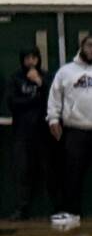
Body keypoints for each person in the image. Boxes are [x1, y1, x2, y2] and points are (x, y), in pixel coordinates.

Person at [46, 32, 92, 230]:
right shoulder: (66, 72)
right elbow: (55, 96)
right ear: (82, 47)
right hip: (75, 130)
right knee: (72, 174)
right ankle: (72, 212)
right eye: (89, 46)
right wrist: (53, 118)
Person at [7, 48, 50, 220]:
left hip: (43, 132)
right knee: (22, 171)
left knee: (48, 170)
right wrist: (34, 100)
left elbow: (52, 99)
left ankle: (54, 208)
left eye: (34, 58)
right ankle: (21, 209)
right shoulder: (15, 78)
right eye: (27, 58)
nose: (31, 62)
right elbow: (12, 102)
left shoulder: (46, 77)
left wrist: (39, 82)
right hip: (22, 133)